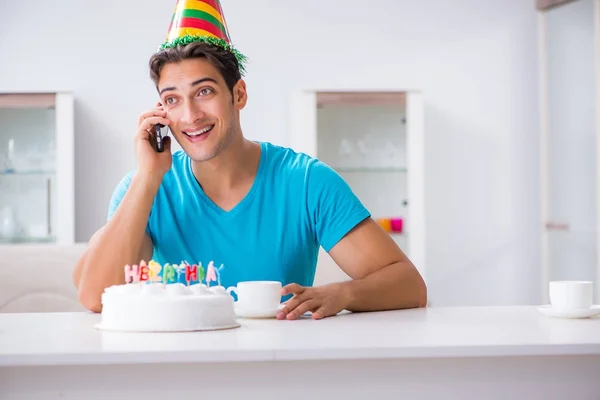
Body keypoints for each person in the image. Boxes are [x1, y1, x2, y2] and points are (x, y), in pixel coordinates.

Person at [73, 0, 427, 319]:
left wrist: (343, 293)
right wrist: (148, 177)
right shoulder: (145, 190)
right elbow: (94, 297)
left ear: (238, 94)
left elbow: (409, 285)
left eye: (205, 92)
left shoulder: (305, 182)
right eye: (172, 100)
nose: (190, 115)